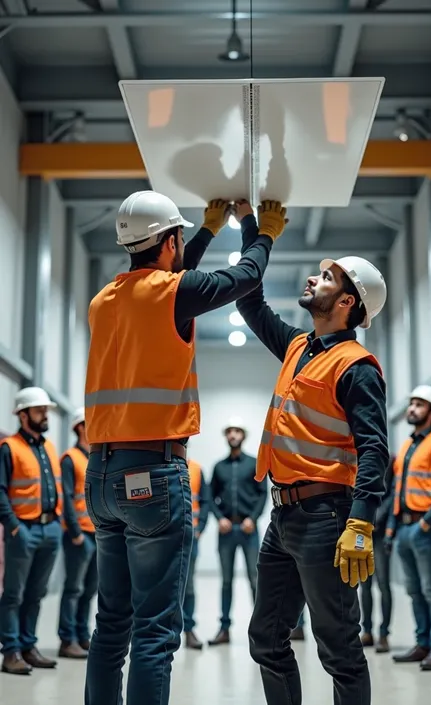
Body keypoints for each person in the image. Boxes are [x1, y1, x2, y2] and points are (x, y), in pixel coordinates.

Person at [83, 192, 288, 705]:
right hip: (153, 474)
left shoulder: (104, 299)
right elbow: (243, 277)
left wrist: (204, 231)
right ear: (171, 240)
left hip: (102, 477)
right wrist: (259, 232)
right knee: (154, 631)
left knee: (112, 625)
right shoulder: (171, 293)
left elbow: (166, 285)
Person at [236, 200, 389, 705]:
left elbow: (374, 449)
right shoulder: (300, 346)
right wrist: (252, 230)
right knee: (266, 639)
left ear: (347, 302)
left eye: (326, 278)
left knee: (339, 647)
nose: (313, 279)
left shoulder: (356, 366)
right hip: (283, 517)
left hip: (328, 518)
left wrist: (361, 523)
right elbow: (250, 305)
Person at [385, 386, 431, 671]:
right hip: (403, 528)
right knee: (414, 590)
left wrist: (426, 522)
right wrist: (392, 529)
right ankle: (423, 643)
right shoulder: (407, 445)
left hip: (425, 528)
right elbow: (398, 491)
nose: (412, 408)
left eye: (419, 404)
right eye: (412, 403)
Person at [0, 387, 63, 675]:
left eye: (46, 410)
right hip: (23, 530)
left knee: (36, 593)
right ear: (23, 415)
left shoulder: (48, 447)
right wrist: (13, 527)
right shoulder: (9, 447)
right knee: (14, 594)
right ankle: (11, 651)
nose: (45, 415)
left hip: (50, 528)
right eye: (40, 411)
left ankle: (28, 646)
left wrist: (57, 522)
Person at [208, 417, 267, 646]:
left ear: (243, 436)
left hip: (248, 529)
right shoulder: (218, 467)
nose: (233, 435)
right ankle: (224, 629)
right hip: (226, 530)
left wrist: (252, 518)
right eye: (229, 431)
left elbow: (263, 493)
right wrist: (219, 518)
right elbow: (210, 496)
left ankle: (260, 630)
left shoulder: (253, 464)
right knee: (226, 581)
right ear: (226, 436)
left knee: (255, 580)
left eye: (237, 431)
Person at [58, 407, 97, 659]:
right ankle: (67, 639)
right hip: (79, 535)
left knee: (90, 589)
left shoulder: (94, 457)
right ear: (80, 427)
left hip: (96, 534)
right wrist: (75, 533)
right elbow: (67, 499)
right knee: (73, 588)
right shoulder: (70, 458)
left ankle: (82, 636)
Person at [359, 455, 395, 652]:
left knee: (383, 584)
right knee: (364, 584)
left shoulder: (390, 461)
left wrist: (377, 518)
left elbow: (393, 494)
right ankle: (367, 631)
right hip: (362, 530)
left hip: (380, 533)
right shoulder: (357, 459)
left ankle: (384, 634)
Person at [183, 457, 210, 650]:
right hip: (164, 537)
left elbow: (205, 500)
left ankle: (189, 630)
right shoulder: (160, 463)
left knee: (188, 585)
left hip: (190, 536)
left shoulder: (196, 468)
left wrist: (200, 527)